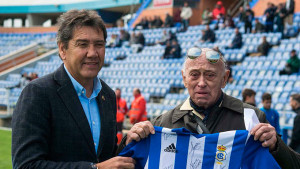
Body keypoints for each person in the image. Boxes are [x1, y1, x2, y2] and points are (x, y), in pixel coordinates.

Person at [120, 47, 300, 169]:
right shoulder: (162, 124)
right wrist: (129, 140)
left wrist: (276, 145)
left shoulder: (250, 118)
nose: (201, 83)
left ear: (224, 79)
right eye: (194, 75)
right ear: (184, 78)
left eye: (210, 75)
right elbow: (122, 162)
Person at [11, 9, 135, 169]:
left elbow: (106, 158)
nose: (92, 53)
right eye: (82, 44)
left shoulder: (108, 95)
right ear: (62, 49)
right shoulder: (38, 93)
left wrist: (129, 144)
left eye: (99, 44)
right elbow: (26, 165)